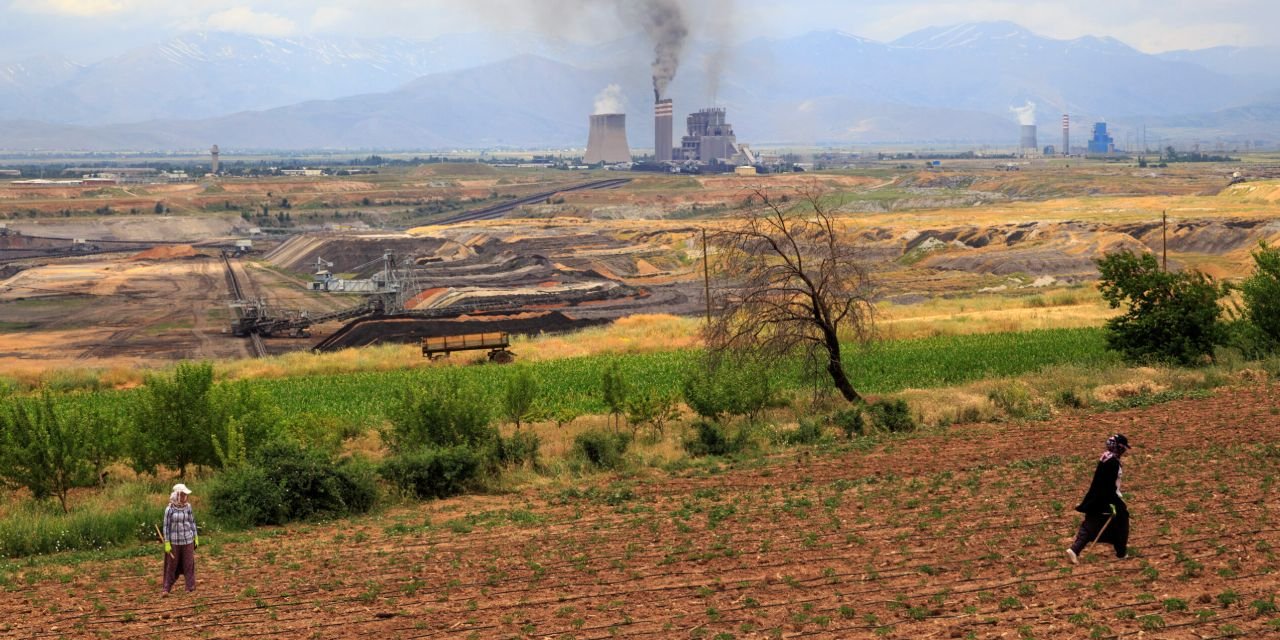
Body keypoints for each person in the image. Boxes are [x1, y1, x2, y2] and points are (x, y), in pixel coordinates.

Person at [1067, 434, 1130, 564]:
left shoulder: (1106, 457)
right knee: (1122, 521)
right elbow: (1109, 485)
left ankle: (1075, 549)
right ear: (1119, 447)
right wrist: (1114, 502)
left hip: (1096, 498)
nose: (1124, 451)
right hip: (1105, 498)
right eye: (1123, 448)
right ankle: (1121, 553)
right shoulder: (1113, 462)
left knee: (1092, 523)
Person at [162, 483, 199, 595]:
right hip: (174, 542)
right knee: (171, 565)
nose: (184, 497)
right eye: (182, 494)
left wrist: (195, 537)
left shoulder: (188, 507)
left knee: (189, 564)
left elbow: (192, 522)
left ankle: (190, 587)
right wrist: (167, 542)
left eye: (185, 495)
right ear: (176, 495)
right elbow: (166, 527)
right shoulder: (169, 509)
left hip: (188, 540)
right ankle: (166, 588)